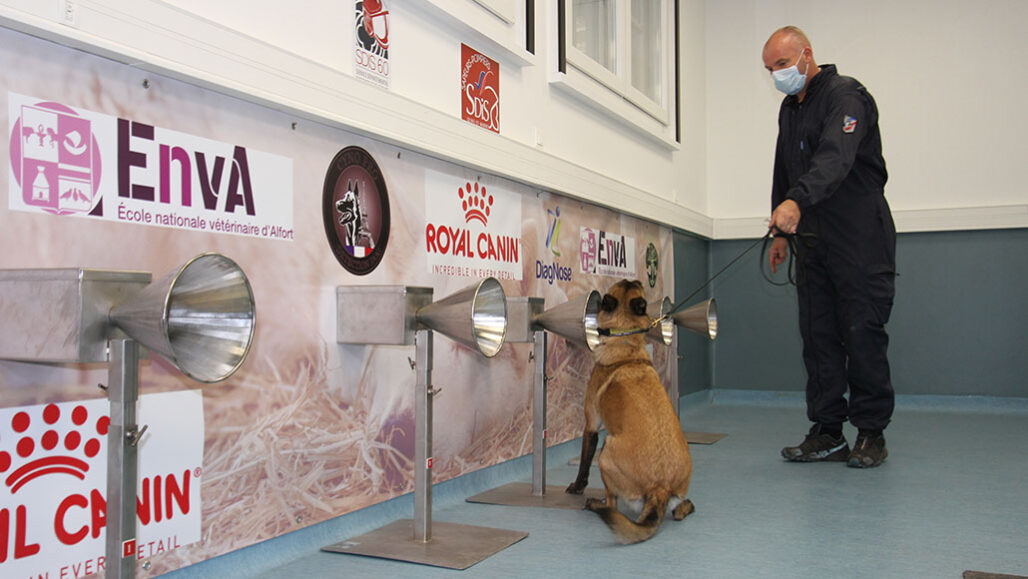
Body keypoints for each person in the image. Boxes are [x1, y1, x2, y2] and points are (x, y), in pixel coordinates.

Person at [762, 26, 896, 468]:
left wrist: (796, 201)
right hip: (813, 239)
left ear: (806, 55)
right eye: (770, 69)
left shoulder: (846, 96)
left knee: (861, 332)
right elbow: (785, 168)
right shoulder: (789, 108)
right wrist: (780, 232)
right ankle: (827, 430)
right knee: (817, 334)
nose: (777, 75)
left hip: (860, 234)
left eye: (782, 64)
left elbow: (834, 158)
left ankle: (871, 433)